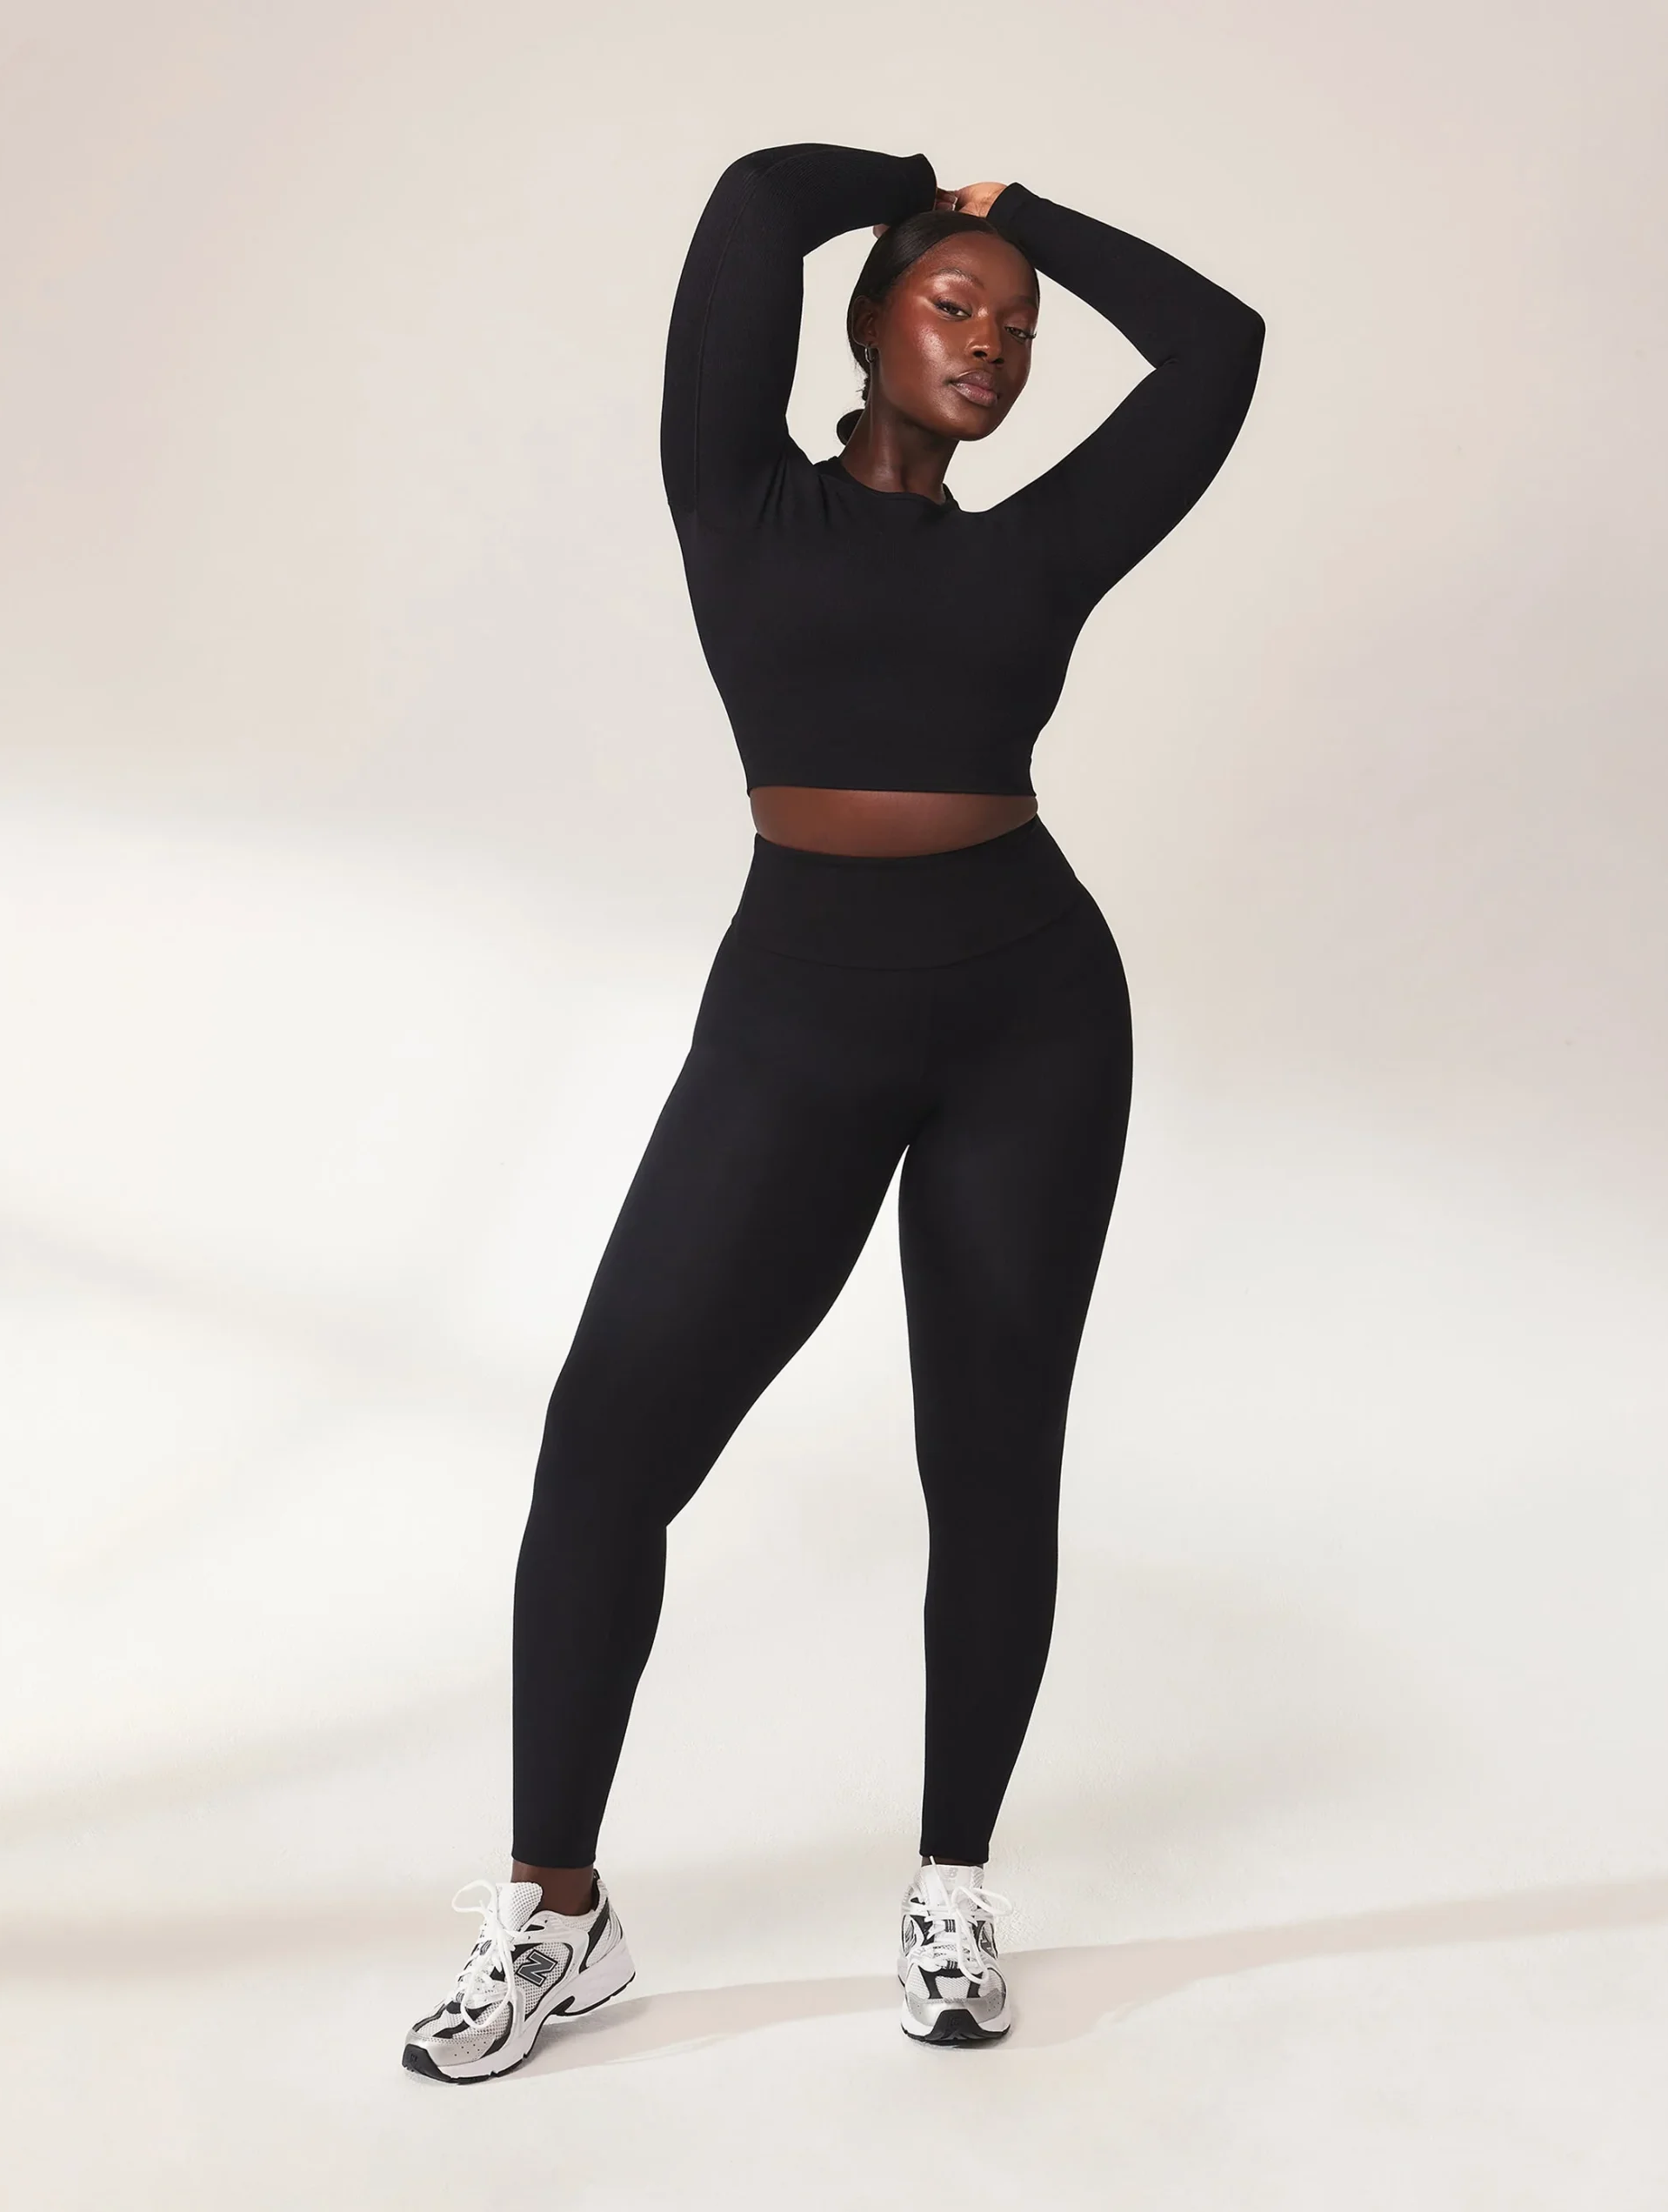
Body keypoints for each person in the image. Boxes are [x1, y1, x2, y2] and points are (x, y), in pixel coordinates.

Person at [403, 142, 1264, 2083]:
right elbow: (744, 210)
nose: (993, 343)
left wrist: (1029, 224)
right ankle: (556, 1912)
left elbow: (1221, 348)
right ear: (865, 325)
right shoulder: (736, 492)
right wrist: (924, 185)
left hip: (1034, 1015)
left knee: (991, 1459)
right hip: (798, 1013)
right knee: (607, 1443)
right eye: (953, 304)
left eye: (1017, 327)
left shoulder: (1039, 546)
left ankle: (952, 1886)